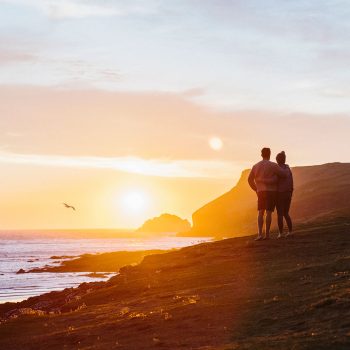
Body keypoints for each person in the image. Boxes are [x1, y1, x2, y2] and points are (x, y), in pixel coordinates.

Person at [248, 147, 287, 240]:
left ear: (261, 155)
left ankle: (260, 234)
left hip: (260, 191)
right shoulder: (273, 165)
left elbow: (249, 179)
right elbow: (284, 175)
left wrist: (256, 189)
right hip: (271, 191)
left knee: (260, 212)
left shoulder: (255, 166)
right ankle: (267, 235)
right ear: (269, 154)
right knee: (268, 213)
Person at [275, 151, 293, 238]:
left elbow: (275, 181)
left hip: (280, 194)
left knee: (280, 214)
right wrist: (291, 192)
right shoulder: (288, 169)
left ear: (277, 160)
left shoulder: (277, 169)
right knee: (286, 213)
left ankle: (281, 233)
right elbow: (292, 182)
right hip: (288, 193)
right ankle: (290, 232)